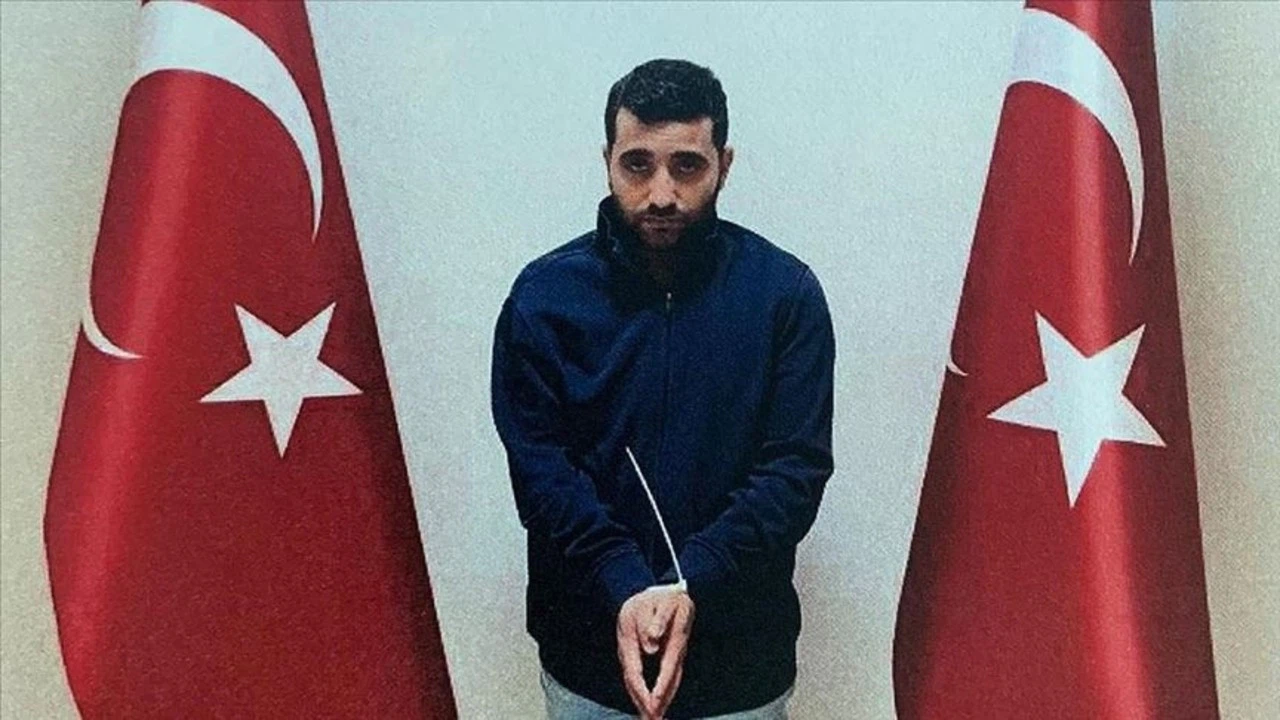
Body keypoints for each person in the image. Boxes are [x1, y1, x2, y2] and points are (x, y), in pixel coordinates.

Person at [491, 58, 834, 720]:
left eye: (687, 166)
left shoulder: (785, 296)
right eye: (638, 164)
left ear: (724, 165)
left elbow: (794, 472)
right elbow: (541, 471)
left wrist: (689, 581)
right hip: (588, 664)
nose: (661, 194)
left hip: (739, 668)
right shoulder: (544, 297)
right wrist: (623, 580)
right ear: (607, 161)